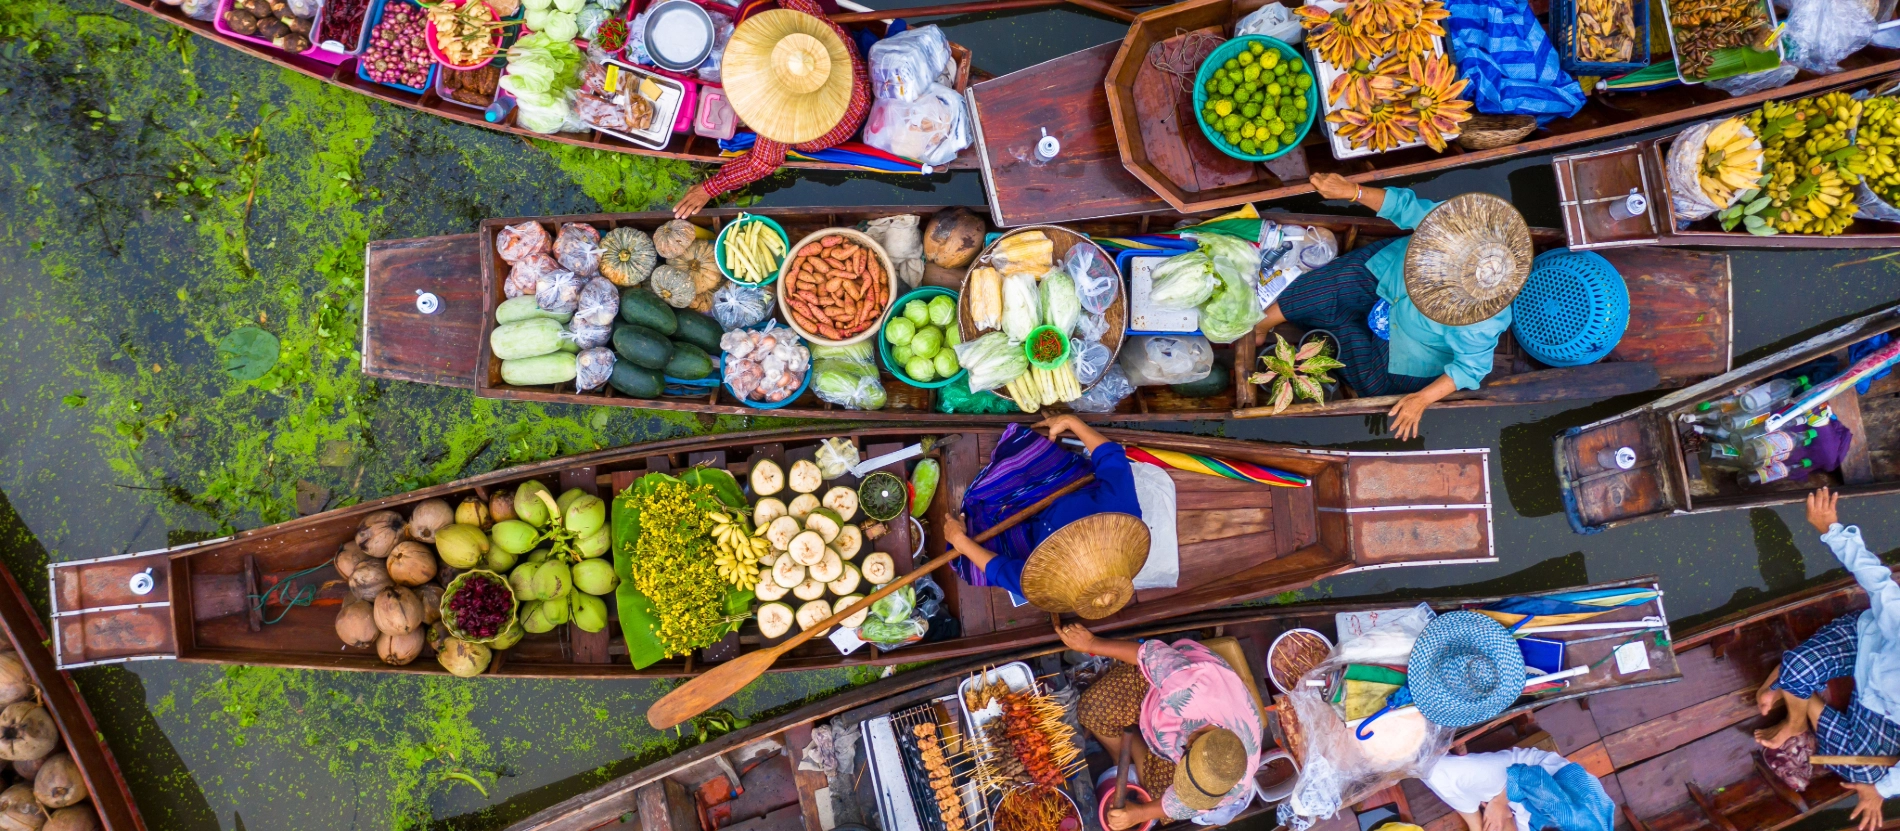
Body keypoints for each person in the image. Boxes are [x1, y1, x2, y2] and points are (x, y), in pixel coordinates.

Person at [1252, 172, 1532, 440]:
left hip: (1408, 346)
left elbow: (1470, 369)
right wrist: (1352, 191)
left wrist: (1422, 400)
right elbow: (1406, 208)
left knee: (1375, 385)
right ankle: (1266, 320)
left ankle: (1328, 326)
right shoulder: (1461, 225)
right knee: (1336, 283)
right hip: (1386, 273)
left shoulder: (1482, 321)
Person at [1753, 487, 1900, 831]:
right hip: (1865, 642)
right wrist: (1830, 529)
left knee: (1861, 773)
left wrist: (1878, 790)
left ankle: (1799, 694)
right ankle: (1794, 716)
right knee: (1799, 669)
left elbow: (1881, 782)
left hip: (1883, 712)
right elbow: (1880, 585)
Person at [671, 0, 871, 218]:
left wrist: (708, 188)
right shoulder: (816, 27)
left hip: (832, 128)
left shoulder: (783, 120)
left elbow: (761, 163)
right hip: (857, 88)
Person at [1058, 622, 1263, 829]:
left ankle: (1132, 757)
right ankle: (1127, 757)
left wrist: (1139, 813)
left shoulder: (1234, 777)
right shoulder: (1188, 691)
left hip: (1168, 735)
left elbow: (1188, 805)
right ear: (1189, 741)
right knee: (1092, 710)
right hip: (1157, 687)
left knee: (1162, 809)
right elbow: (1145, 655)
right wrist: (1092, 643)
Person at [942, 415, 1140, 600]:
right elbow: (1111, 457)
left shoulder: (1047, 584)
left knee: (969, 562)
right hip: (1066, 490)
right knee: (1026, 455)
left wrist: (960, 541)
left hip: (1034, 539)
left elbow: (1000, 570)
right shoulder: (1120, 511)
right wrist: (1071, 421)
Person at [1419, 748, 1614, 831]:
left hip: (1538, 817)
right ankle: (1477, 824)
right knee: (1434, 771)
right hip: (1537, 776)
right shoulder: (1572, 819)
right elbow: (1527, 775)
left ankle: (1492, 814)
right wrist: (1499, 804)